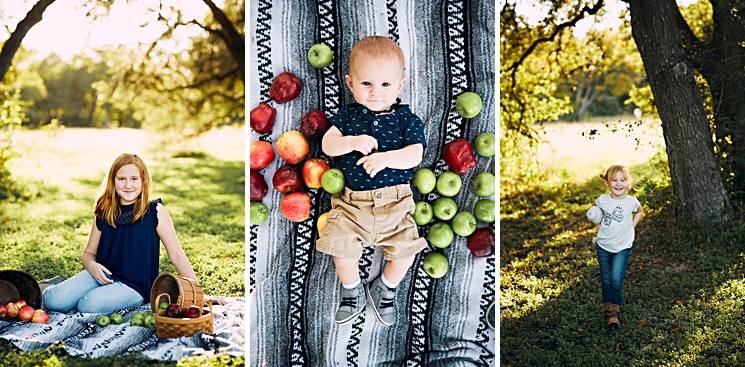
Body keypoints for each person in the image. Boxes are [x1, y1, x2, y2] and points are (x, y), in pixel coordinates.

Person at [316, 35, 428, 326]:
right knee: (340, 249)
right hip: (353, 205)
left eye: (386, 85)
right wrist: (351, 142)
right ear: (350, 83)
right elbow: (328, 145)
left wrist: (386, 158)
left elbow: (415, 155)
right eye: (366, 84)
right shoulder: (348, 117)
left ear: (400, 86)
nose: (376, 93)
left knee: (407, 252)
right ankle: (351, 291)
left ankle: (385, 290)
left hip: (396, 204)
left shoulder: (407, 120)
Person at [42, 153, 201, 314]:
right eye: (121, 179)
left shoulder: (155, 212)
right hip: (102, 275)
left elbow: (177, 256)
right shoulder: (105, 212)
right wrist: (92, 266)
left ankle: (77, 293)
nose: (128, 185)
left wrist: (197, 295)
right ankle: (53, 285)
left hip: (135, 286)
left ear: (143, 181)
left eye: (134, 179)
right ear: (113, 181)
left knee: (88, 305)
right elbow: (88, 253)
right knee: (54, 301)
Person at [591, 165, 643, 328]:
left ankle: (615, 310)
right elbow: (593, 211)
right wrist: (598, 229)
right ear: (607, 183)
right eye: (614, 180)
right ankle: (608, 309)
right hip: (604, 246)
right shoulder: (602, 200)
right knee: (606, 279)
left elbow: (639, 212)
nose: (618, 184)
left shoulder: (631, 201)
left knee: (615, 277)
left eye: (622, 180)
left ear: (628, 183)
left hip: (622, 246)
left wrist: (632, 227)